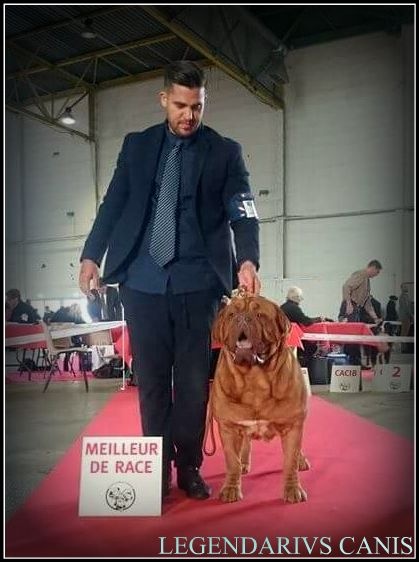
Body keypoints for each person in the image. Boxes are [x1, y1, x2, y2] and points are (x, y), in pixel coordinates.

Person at [79, 61, 261, 501]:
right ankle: (155, 469)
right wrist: (90, 255)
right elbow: (113, 204)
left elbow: (243, 210)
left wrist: (247, 260)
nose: (188, 115)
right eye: (180, 105)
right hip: (141, 283)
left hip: (198, 285)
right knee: (153, 383)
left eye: (197, 106)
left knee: (194, 384)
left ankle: (189, 466)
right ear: (164, 99)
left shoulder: (225, 152)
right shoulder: (137, 146)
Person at [341, 259, 383, 366]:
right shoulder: (360, 274)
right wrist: (348, 303)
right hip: (351, 307)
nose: (377, 275)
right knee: (352, 336)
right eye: (377, 272)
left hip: (356, 308)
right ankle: (352, 363)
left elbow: (367, 303)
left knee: (356, 336)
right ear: (373, 268)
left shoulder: (367, 280)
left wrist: (375, 318)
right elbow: (346, 286)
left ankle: (356, 363)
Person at [280, 286, 327, 367]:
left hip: (284, 339)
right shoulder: (294, 308)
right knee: (312, 348)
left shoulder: (283, 307)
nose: (301, 299)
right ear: (296, 297)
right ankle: (305, 369)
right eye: (300, 297)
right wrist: (319, 319)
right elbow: (306, 321)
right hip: (292, 340)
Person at [398, 284, 413, 352]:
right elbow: (407, 308)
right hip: (405, 317)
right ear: (402, 288)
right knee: (404, 333)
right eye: (405, 287)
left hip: (406, 316)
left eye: (406, 286)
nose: (406, 287)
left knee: (405, 333)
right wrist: (412, 316)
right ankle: (403, 348)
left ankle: (403, 348)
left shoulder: (405, 296)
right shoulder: (403, 296)